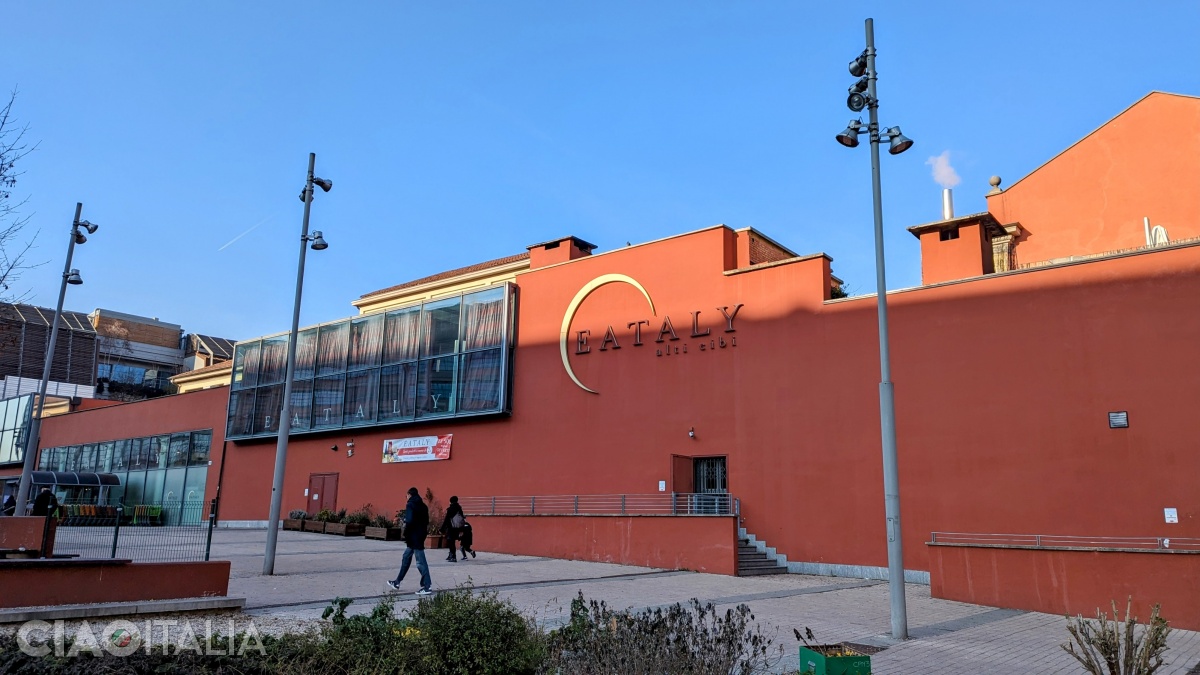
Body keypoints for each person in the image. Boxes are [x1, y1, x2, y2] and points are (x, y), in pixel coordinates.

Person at [388, 487, 432, 596]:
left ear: (409, 495)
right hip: (420, 535)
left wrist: (403, 522)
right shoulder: (423, 506)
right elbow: (426, 521)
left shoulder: (410, 505)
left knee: (420, 562)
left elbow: (410, 520)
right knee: (406, 557)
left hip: (414, 537)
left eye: (406, 495)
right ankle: (397, 582)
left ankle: (427, 586)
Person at [443, 495, 465, 562]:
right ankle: (451, 555)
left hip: (451, 528)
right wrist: (461, 529)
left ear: (451, 501)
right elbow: (461, 519)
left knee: (451, 542)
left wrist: (442, 528)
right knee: (452, 542)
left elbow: (446, 519)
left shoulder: (450, 509)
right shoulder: (459, 509)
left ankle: (453, 556)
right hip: (457, 528)